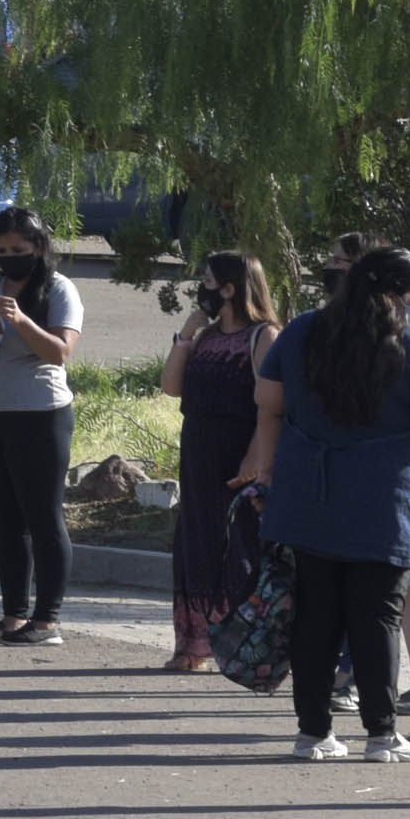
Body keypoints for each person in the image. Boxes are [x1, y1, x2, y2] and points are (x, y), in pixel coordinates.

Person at [243, 245, 410, 763]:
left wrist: (269, 473)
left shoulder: (304, 330)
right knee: (377, 615)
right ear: (402, 295)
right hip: (386, 502)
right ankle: (381, 734)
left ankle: (313, 733)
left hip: (308, 495)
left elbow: (268, 403)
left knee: (316, 615)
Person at [0, 208, 89, 650]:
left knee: (43, 516)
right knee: (5, 519)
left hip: (41, 414)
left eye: (18, 250)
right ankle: (13, 618)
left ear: (39, 247)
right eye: (1, 250)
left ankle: (48, 621)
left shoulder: (59, 289)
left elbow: (60, 352)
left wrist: (22, 321)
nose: (9, 258)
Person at [164, 253, 277, 677]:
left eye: (208, 281)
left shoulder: (263, 336)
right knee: (196, 545)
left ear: (229, 289)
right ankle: (194, 645)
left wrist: (257, 454)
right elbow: (171, 387)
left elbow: (274, 403)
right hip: (198, 453)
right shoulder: (206, 337)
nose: (203, 289)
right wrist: (185, 338)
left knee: (244, 549)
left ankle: (252, 646)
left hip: (240, 455)